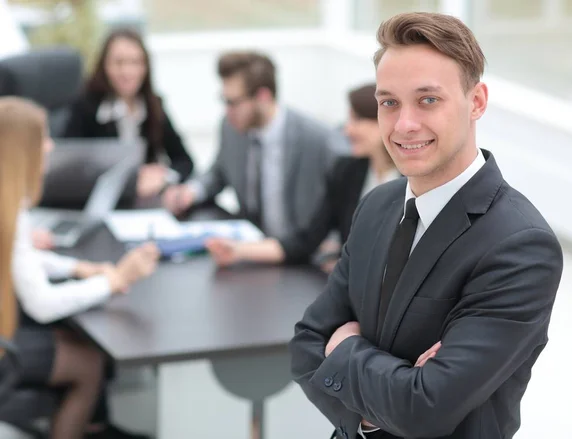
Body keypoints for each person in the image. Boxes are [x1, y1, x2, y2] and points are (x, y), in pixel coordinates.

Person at [289, 12, 563, 439]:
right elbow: (305, 347)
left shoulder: (520, 245)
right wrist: (381, 405)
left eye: (428, 100)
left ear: (477, 101)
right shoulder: (378, 205)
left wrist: (343, 349)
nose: (404, 125)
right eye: (389, 102)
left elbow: (425, 409)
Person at [0, 97, 160, 439]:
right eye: (42, 139)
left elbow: (21, 256)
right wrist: (117, 278)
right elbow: (41, 304)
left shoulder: (6, 200)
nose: (50, 146)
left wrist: (78, 268)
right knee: (89, 365)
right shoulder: (7, 210)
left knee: (72, 338)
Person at [205, 83, 399, 272]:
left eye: (357, 120)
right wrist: (238, 251)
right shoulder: (348, 171)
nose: (347, 130)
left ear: (383, 120)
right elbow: (307, 240)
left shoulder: (411, 180)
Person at [162, 51, 340, 240]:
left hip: (302, 257)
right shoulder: (232, 129)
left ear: (263, 97)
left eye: (233, 103)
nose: (227, 111)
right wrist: (190, 192)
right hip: (251, 249)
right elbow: (220, 172)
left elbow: (343, 200)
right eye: (224, 101)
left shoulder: (316, 138)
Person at [64, 28, 194, 200]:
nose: (127, 72)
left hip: (144, 200)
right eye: (119, 62)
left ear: (145, 67)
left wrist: (164, 177)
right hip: (99, 199)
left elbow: (185, 161)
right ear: (104, 65)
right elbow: (69, 168)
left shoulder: (153, 105)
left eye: (135, 62)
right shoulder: (86, 108)